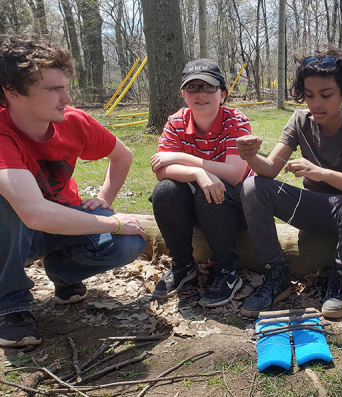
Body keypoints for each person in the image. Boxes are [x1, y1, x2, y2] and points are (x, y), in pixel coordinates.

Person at [0, 32, 146, 348]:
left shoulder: (74, 121)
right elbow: (33, 212)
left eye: (65, 87)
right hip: (12, 232)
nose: (67, 99)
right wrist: (113, 220)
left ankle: (64, 273)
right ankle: (10, 305)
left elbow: (123, 155)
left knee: (130, 240)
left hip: (58, 220)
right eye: (54, 90)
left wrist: (104, 201)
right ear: (12, 91)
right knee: (6, 201)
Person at [236, 47, 342, 319]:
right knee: (253, 186)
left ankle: (340, 280)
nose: (316, 104)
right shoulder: (300, 121)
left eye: (326, 95)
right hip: (308, 209)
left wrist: (319, 172)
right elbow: (269, 170)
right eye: (310, 95)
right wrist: (251, 156)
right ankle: (275, 276)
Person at [150, 58, 253, 307]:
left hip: (237, 208)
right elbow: (162, 171)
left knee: (212, 190)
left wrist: (185, 158)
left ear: (223, 94)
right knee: (165, 191)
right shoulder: (176, 121)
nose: (201, 94)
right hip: (198, 205)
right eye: (193, 87)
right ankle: (183, 266)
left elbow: (234, 174)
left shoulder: (235, 121)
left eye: (209, 87)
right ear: (184, 94)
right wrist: (199, 174)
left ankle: (228, 272)